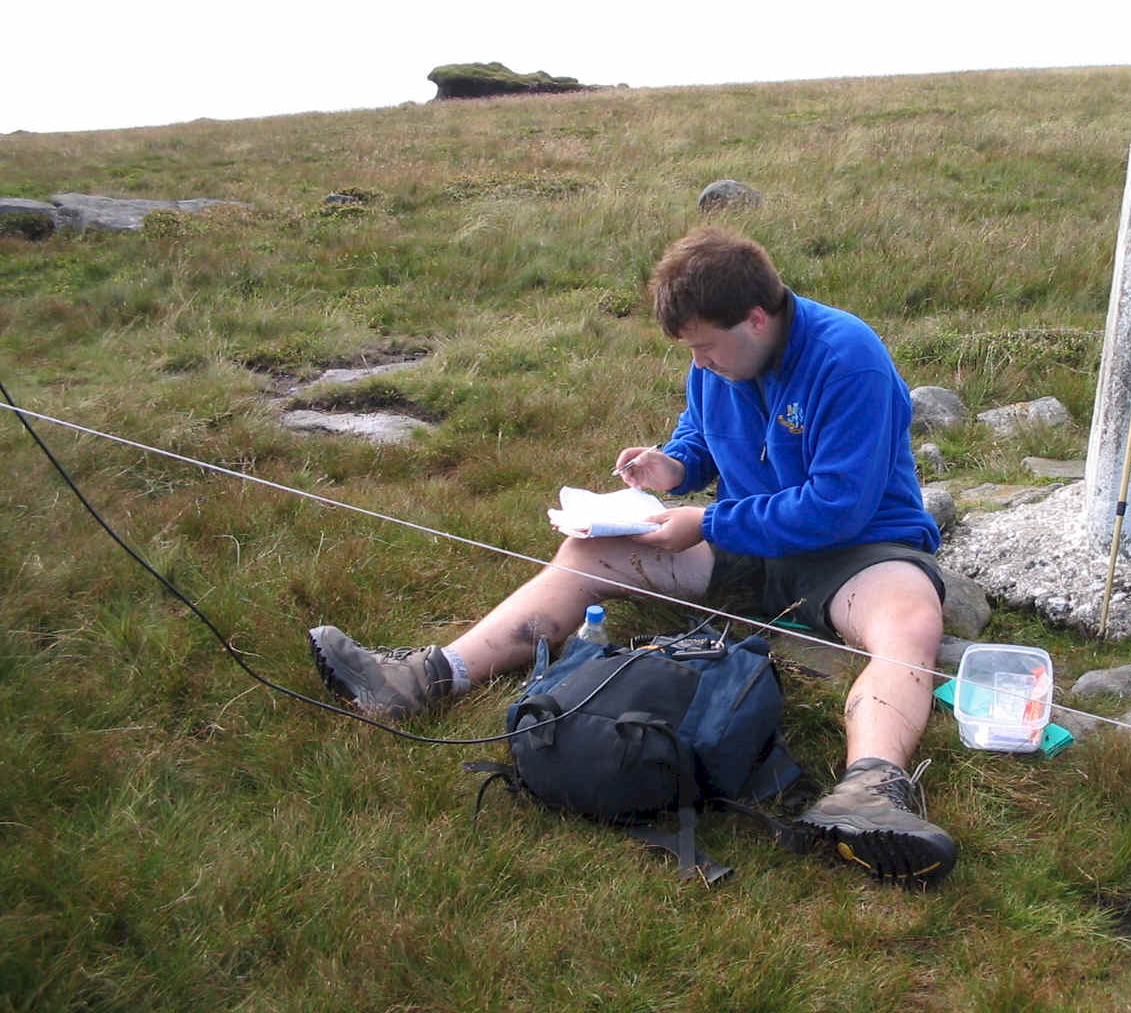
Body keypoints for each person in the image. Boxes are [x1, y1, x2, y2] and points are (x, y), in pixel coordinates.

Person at [308, 226, 956, 884]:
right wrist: (670, 466)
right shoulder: (721, 359)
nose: (699, 362)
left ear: (756, 319)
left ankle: (870, 791)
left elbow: (836, 506)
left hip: (859, 549)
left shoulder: (849, 360)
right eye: (690, 351)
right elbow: (701, 436)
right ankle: (429, 676)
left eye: (704, 347)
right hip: (747, 542)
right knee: (592, 551)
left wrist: (705, 520)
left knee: (908, 623)